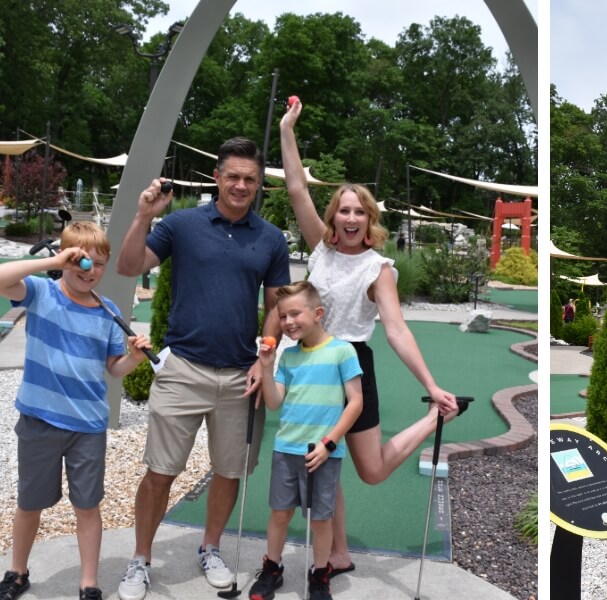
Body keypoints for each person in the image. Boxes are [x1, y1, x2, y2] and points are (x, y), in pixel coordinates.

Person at [279, 100, 460, 576]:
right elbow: (296, 186)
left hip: (351, 365)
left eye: (360, 211)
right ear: (333, 216)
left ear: (370, 218)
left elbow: (396, 328)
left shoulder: (378, 268)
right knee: (323, 461)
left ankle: (429, 420)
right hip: (308, 365)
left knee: (372, 471)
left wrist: (432, 382)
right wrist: (287, 129)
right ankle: (337, 554)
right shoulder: (320, 245)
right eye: (344, 210)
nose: (352, 218)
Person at [115, 137, 292, 600]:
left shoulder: (271, 239)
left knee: (229, 472)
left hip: (240, 375)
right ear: (216, 177)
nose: (240, 185)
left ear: (259, 185)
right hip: (183, 368)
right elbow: (129, 264)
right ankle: (140, 561)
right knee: (159, 472)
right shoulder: (181, 225)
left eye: (250, 179)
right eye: (232, 176)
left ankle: (210, 548)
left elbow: (276, 306)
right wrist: (143, 216)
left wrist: (265, 354)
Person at [0, 222, 151, 600]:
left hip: (87, 427)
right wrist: (53, 261)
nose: (90, 270)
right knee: (29, 503)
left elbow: (113, 369)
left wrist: (133, 359)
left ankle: (88, 582)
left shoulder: (108, 311)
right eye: (81, 260)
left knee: (87, 505)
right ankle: (17, 572)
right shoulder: (41, 293)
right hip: (39, 420)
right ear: (65, 258)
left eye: (99, 264)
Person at [247, 282, 363, 600]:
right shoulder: (287, 358)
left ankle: (320, 573)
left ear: (318, 313)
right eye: (283, 316)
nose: (288, 322)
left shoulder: (342, 351)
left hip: (321, 452)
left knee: (321, 519)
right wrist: (267, 369)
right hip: (287, 449)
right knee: (280, 513)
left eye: (295, 313)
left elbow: (355, 403)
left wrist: (329, 443)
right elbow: (273, 402)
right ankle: (273, 567)